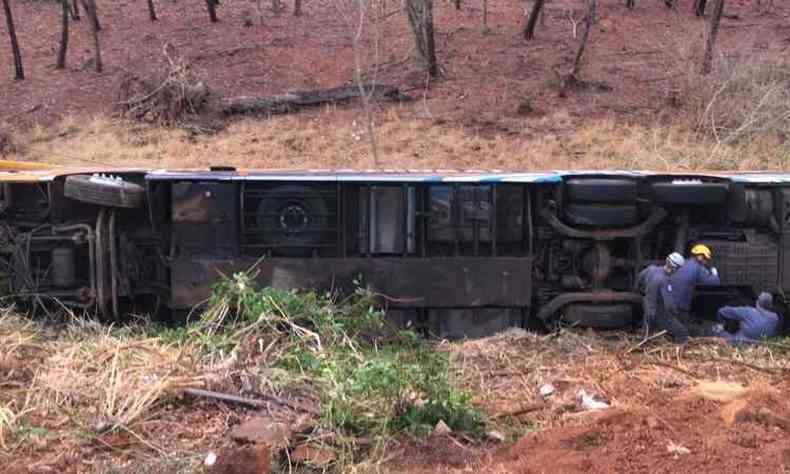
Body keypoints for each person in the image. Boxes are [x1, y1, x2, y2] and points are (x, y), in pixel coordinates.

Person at [637, 252, 689, 344]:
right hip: (657, 313)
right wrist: (675, 313)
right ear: (674, 268)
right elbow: (669, 304)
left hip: (647, 308)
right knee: (682, 332)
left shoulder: (651, 269)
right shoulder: (664, 280)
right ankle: (678, 353)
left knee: (647, 335)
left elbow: (639, 279)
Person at [671, 244, 721, 324]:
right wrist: (714, 273)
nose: (706, 262)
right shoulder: (697, 267)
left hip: (667, 300)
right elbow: (714, 282)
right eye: (706, 259)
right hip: (680, 305)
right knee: (680, 329)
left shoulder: (682, 263)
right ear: (700, 256)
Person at [713, 292, 780, 345]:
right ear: (771, 305)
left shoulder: (748, 311)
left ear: (757, 302)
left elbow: (721, 311)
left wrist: (722, 324)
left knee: (715, 329)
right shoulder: (775, 317)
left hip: (741, 344)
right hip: (761, 346)